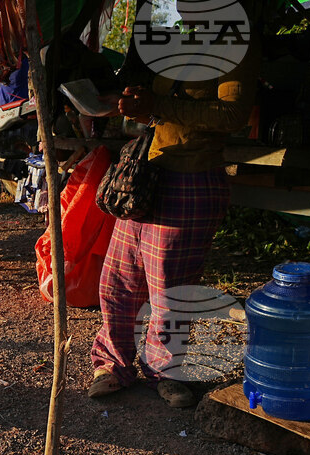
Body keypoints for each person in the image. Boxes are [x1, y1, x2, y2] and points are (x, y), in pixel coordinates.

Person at [88, 24, 261, 408]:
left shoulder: (236, 49)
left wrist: (158, 106)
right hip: (149, 175)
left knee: (171, 288)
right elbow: (164, 115)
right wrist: (139, 104)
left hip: (193, 179)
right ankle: (111, 364)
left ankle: (163, 371)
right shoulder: (180, 47)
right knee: (119, 277)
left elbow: (232, 114)